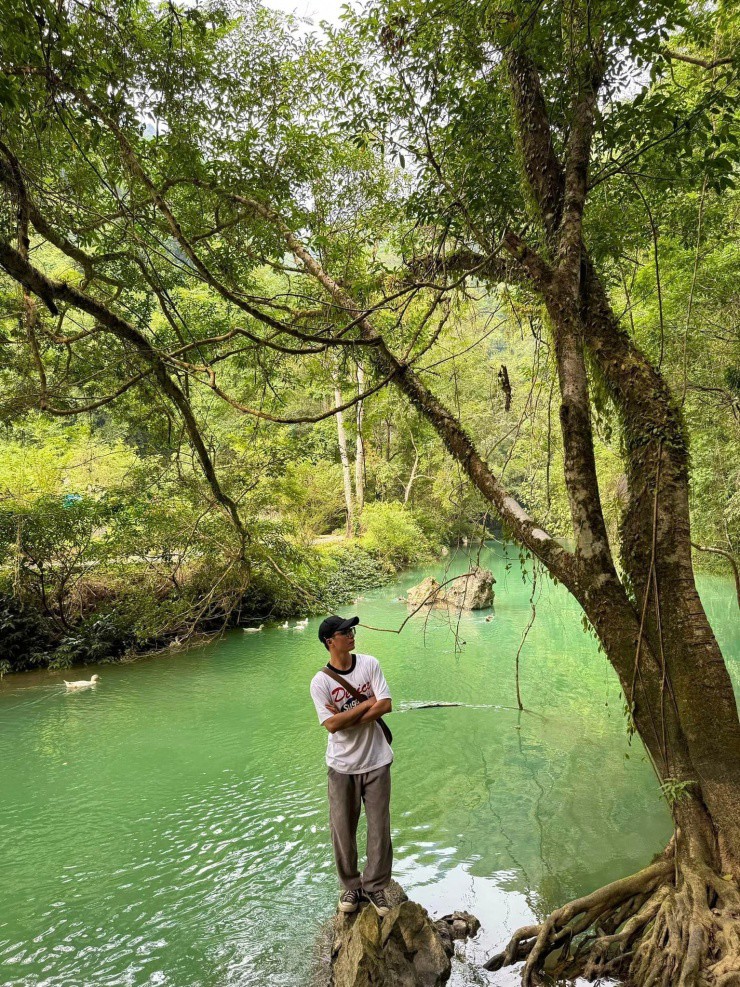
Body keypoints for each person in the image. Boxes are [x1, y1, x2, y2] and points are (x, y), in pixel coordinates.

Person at [310, 614, 394, 917]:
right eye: (346, 631)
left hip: (376, 760)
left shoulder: (370, 664)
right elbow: (332, 725)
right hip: (341, 765)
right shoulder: (320, 682)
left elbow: (385, 704)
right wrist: (364, 704)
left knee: (379, 827)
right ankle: (350, 885)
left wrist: (349, 718)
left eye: (352, 630)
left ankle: (375, 886)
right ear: (330, 641)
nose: (352, 635)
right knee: (343, 829)